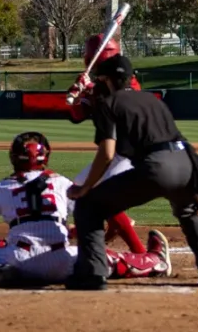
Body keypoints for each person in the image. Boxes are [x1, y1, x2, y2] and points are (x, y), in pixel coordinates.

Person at [65, 54, 198, 291]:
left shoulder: (109, 104)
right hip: (184, 162)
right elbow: (182, 141)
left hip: (155, 166)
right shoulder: (154, 100)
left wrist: (86, 187)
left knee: (88, 206)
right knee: (189, 210)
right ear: (130, 78)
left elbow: (107, 154)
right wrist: (197, 187)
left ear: (107, 80)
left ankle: (93, 274)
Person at [0, 131, 171, 288]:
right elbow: (97, 217)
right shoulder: (62, 183)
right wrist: (95, 234)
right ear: (46, 156)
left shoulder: (3, 187)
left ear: (13, 157)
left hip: (20, 258)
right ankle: (154, 260)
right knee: (111, 260)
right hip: (63, 259)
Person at [66, 33, 146, 254]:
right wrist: (76, 93)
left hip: (133, 153)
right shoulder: (96, 84)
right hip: (115, 153)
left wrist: (90, 87)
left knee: (101, 193)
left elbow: (120, 98)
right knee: (75, 189)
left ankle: (139, 251)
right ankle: (104, 228)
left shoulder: (127, 79)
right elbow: (77, 115)